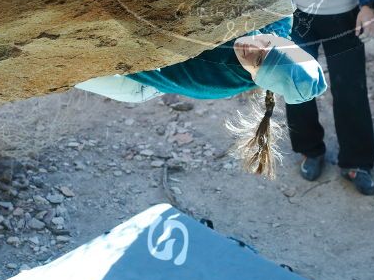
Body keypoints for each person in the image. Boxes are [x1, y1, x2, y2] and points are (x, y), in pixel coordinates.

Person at [75, 17, 327, 178]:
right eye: (268, 44)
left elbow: (136, 59)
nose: (253, 46)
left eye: (258, 60)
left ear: (257, 78)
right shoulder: (278, 22)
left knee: (77, 67)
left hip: (138, 81)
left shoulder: (209, 76)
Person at [284, 0, 374, 195]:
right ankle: (310, 150)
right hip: (298, 13)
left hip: (343, 12)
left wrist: (368, 3)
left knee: (350, 87)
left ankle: (356, 162)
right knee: (298, 84)